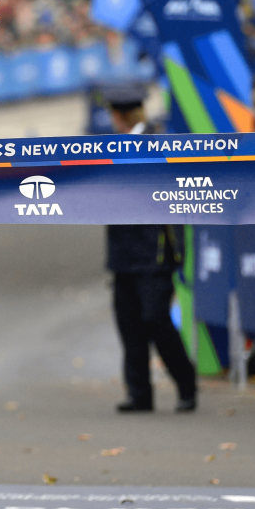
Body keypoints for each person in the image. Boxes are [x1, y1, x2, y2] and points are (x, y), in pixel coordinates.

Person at [104, 89, 197, 413]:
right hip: (123, 252)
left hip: (155, 251)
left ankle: (186, 384)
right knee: (129, 325)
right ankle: (139, 393)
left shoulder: (156, 144)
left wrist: (178, 253)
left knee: (156, 319)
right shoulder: (110, 148)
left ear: (120, 115)